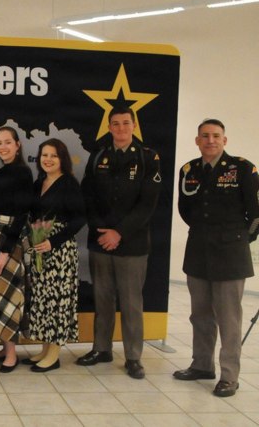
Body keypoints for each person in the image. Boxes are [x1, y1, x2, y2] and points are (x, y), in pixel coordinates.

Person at [174, 118, 259, 397]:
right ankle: (201, 365)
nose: (210, 140)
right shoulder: (189, 170)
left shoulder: (243, 168)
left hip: (231, 254)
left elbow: (256, 213)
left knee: (229, 319)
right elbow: (185, 209)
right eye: (205, 136)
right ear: (197, 140)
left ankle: (229, 376)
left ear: (225, 140)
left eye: (216, 136)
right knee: (200, 315)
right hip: (198, 250)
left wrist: (238, 239)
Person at [78, 106, 161, 379]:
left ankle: (133, 357)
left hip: (132, 243)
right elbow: (87, 196)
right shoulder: (98, 155)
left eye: (126, 123)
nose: (121, 128)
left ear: (134, 126)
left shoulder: (148, 158)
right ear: (110, 127)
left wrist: (119, 233)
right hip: (100, 240)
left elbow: (147, 204)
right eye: (116, 124)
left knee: (131, 302)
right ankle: (101, 348)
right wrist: (102, 230)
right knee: (102, 298)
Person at [24, 139, 85, 372]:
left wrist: (53, 241)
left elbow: (79, 218)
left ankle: (55, 354)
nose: (48, 159)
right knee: (43, 301)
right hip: (40, 248)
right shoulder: (39, 182)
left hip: (59, 252)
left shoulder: (68, 183)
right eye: (44, 155)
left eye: (54, 156)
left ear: (62, 159)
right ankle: (45, 347)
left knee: (58, 302)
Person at [0, 126, 33, 373]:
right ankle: (4, 346)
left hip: (8, 240)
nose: (3, 147)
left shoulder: (23, 173)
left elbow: (21, 215)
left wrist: (5, 251)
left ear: (18, 144)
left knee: (8, 294)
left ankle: (12, 354)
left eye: (7, 142)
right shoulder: (1, 172)